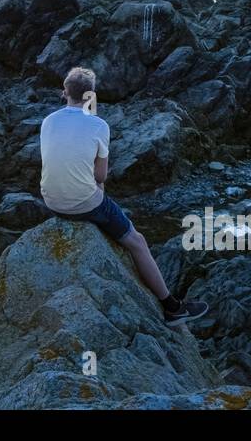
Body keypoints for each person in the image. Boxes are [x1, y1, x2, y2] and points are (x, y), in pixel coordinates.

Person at [39, 66, 208, 324]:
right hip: (83, 204)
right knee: (136, 240)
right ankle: (172, 307)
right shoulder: (98, 125)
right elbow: (102, 176)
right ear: (91, 96)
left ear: (65, 92)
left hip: (50, 200)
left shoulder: (48, 121)